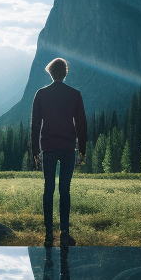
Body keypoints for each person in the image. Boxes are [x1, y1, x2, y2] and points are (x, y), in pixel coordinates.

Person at [31, 57, 87, 248]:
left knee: (48, 189)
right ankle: (64, 233)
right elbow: (81, 123)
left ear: (50, 73)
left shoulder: (41, 94)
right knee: (65, 190)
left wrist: (35, 151)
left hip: (48, 148)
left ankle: (48, 234)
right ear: (65, 72)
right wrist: (82, 149)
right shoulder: (75, 94)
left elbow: (35, 125)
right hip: (67, 148)